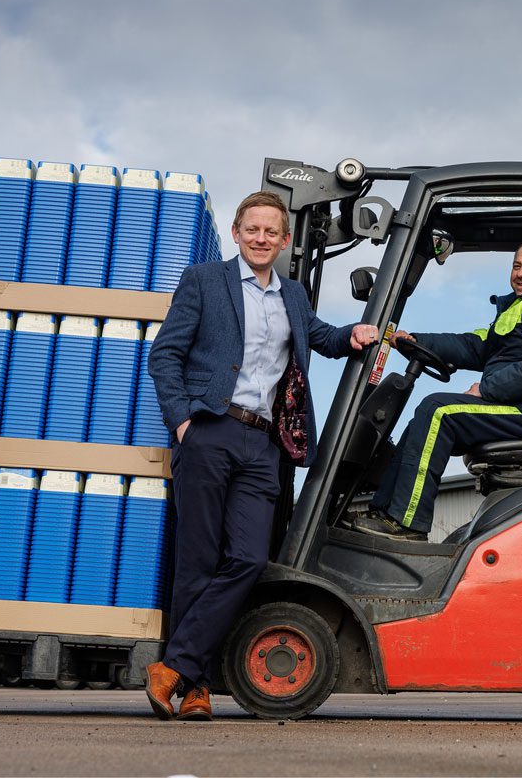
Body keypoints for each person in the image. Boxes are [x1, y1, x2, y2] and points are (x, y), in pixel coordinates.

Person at [144, 191, 379, 721]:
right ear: (236, 232)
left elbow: (321, 337)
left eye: (272, 232)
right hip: (210, 430)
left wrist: (357, 334)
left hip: (264, 443)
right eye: (253, 229)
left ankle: (174, 665)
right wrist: (182, 420)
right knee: (198, 563)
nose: (261, 238)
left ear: (285, 240)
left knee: (249, 558)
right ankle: (196, 688)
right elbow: (165, 355)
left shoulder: (293, 295)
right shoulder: (204, 281)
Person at [351, 241, 522, 541]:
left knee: (438, 411)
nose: (521, 273)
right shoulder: (521, 308)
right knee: (422, 421)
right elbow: (476, 346)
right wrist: (417, 340)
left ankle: (407, 523)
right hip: (514, 408)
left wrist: (487, 389)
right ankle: (383, 511)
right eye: (517, 266)